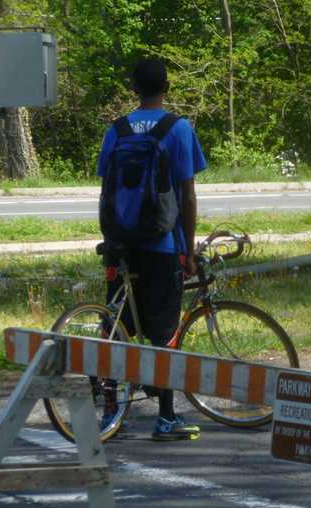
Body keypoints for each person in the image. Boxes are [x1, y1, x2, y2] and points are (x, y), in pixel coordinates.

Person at [97, 58, 207, 440]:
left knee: (116, 326)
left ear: (133, 88)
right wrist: (187, 250)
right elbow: (188, 196)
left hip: (122, 245)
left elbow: (105, 190)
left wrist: (111, 237)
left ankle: (110, 412)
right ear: (167, 86)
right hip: (162, 245)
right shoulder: (177, 129)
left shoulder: (117, 130)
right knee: (164, 333)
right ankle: (165, 418)